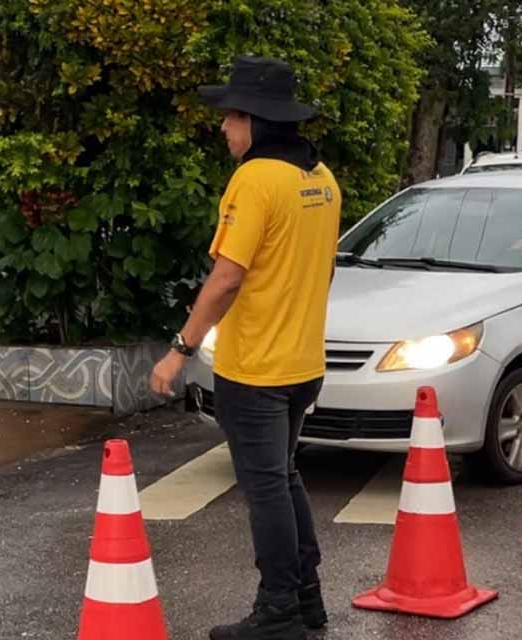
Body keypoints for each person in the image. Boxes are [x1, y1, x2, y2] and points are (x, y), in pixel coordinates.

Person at [149, 56, 341, 640]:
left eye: (231, 116)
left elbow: (227, 278)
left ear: (256, 120)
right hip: (304, 362)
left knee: (266, 491)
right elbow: (320, 270)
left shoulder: (256, 180)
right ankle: (306, 601)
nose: (224, 128)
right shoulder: (321, 178)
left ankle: (279, 612)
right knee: (282, 479)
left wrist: (180, 348)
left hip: (256, 367)